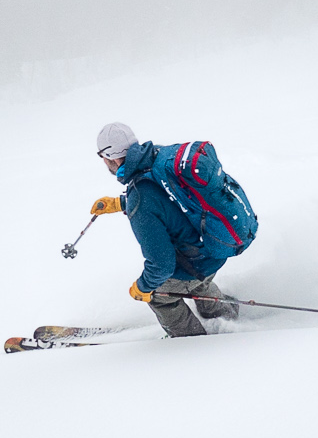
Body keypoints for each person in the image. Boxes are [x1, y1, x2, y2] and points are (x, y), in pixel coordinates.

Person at [88, 121, 241, 337]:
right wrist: (121, 203)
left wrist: (143, 287)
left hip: (195, 264)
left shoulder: (140, 199)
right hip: (215, 247)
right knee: (198, 281)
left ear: (111, 157)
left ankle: (189, 339)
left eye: (101, 156)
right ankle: (226, 313)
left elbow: (161, 265)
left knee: (159, 295)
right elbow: (168, 201)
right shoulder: (157, 159)